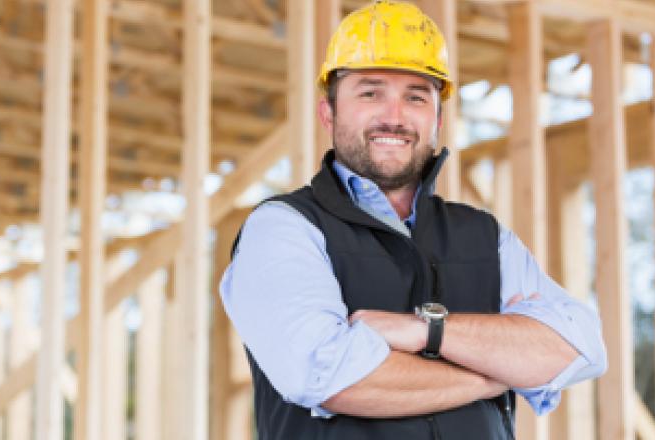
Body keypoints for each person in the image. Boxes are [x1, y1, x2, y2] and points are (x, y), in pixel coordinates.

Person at [219, 1, 607, 438]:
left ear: (437, 117)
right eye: (370, 92)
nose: (395, 116)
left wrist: (425, 331)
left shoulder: (486, 237)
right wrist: (496, 374)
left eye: (416, 97)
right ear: (328, 113)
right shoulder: (284, 229)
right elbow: (327, 374)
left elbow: (581, 347)